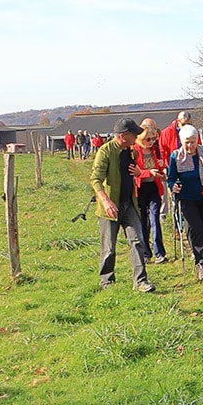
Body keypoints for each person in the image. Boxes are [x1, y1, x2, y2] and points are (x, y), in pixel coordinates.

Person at [90, 118, 155, 293]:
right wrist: (106, 201)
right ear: (122, 136)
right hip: (110, 208)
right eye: (134, 134)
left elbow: (136, 171)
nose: (137, 137)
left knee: (137, 241)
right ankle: (107, 283)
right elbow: (95, 180)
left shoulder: (132, 151)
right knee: (109, 248)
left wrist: (139, 172)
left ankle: (140, 281)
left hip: (129, 204)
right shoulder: (105, 152)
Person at [168, 124, 203, 281]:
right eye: (187, 142)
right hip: (187, 199)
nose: (190, 146)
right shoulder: (175, 156)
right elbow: (171, 178)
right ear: (181, 142)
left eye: (193, 142)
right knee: (195, 229)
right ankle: (201, 264)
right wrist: (173, 186)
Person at [133, 125, 168, 264]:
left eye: (153, 139)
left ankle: (159, 252)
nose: (151, 142)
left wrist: (162, 169)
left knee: (155, 219)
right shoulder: (134, 151)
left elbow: (160, 167)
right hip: (140, 188)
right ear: (140, 138)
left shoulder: (155, 149)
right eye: (148, 139)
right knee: (143, 221)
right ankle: (146, 253)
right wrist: (148, 172)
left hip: (154, 187)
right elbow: (134, 172)